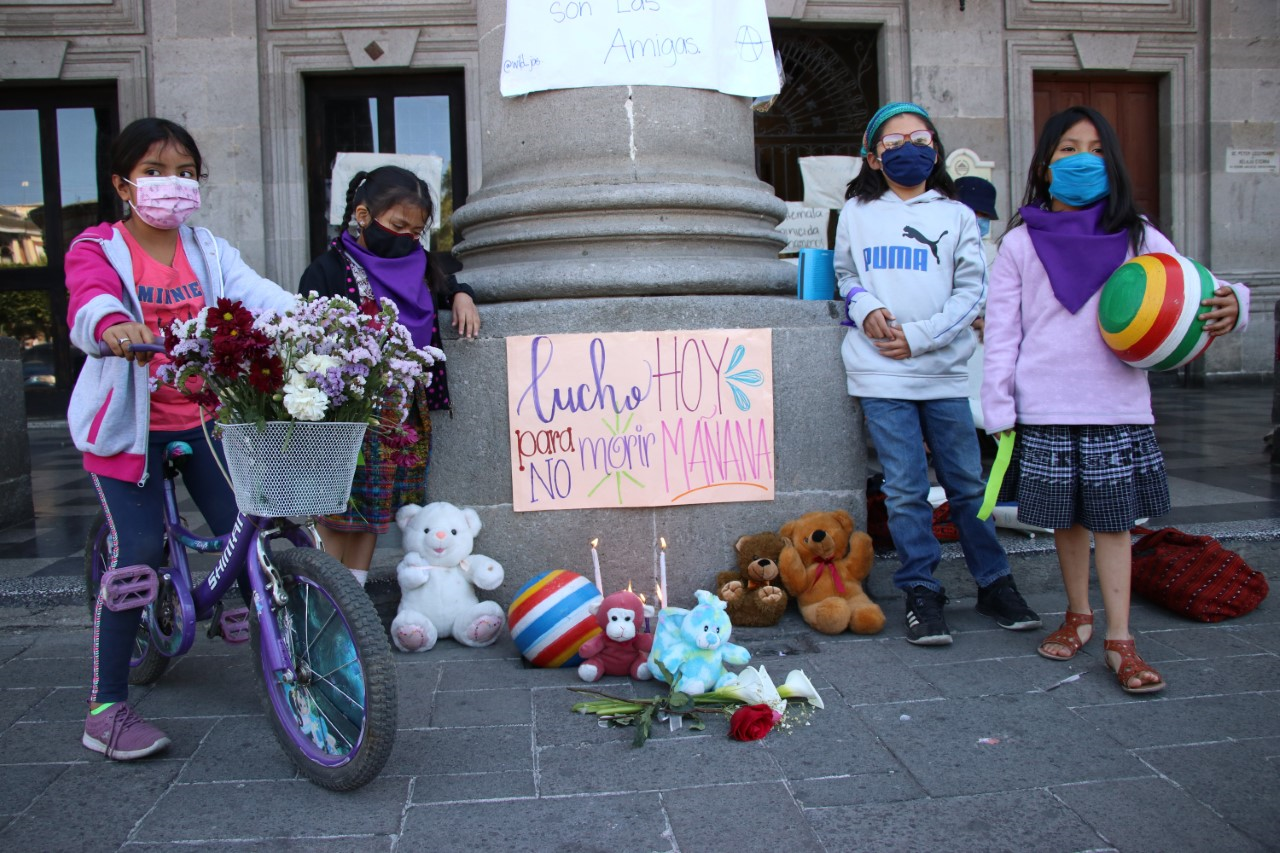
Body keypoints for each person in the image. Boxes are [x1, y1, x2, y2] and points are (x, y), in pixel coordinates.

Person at [981, 105, 1249, 694]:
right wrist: (999, 411)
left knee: (1114, 524)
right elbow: (1002, 335)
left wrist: (1238, 303)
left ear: (1116, 163)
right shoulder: (1020, 244)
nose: (1084, 160)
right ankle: (1078, 615)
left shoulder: (1138, 234)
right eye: (1068, 149)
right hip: (1046, 408)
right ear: (1046, 166)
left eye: (1097, 149)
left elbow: (1197, 285)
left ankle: (1120, 639)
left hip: (1116, 408)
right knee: (1068, 523)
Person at [66, 117, 297, 759]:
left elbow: (264, 298)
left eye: (187, 173)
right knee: (137, 549)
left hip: (199, 417)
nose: (174, 185)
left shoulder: (209, 251)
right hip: (127, 430)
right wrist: (112, 323)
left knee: (247, 523)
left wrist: (324, 316)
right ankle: (107, 708)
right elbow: (89, 301)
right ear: (123, 183)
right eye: (155, 172)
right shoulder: (100, 247)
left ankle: (238, 612)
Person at [834, 102, 1041, 646]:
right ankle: (921, 590)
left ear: (936, 149)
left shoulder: (953, 214)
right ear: (874, 157)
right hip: (880, 374)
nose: (909, 148)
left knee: (968, 486)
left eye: (920, 137)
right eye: (894, 141)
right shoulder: (856, 209)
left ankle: (994, 582)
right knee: (903, 490)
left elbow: (973, 290)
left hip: (943, 371)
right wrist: (863, 307)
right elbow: (846, 273)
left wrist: (919, 336)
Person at [299, 166, 480, 586]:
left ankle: (354, 596)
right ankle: (327, 596)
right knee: (336, 506)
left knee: (374, 511)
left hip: (401, 415)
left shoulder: (421, 266)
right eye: (398, 226)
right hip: (344, 412)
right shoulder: (327, 271)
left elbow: (448, 280)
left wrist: (463, 294)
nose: (407, 238)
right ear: (363, 216)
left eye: (415, 232)